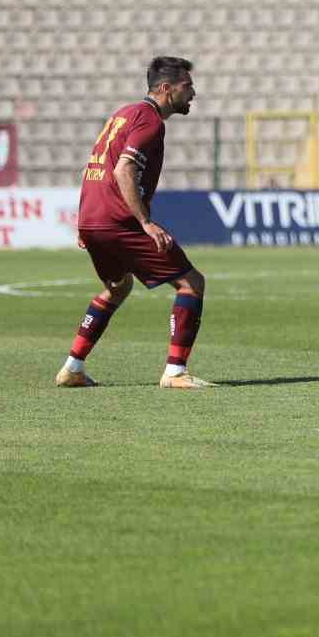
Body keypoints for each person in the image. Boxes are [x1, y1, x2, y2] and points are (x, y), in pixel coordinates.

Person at [55, 56, 211, 390]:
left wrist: (87, 223)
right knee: (191, 283)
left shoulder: (123, 114)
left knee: (117, 287)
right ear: (166, 89)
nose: (193, 92)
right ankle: (175, 372)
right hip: (118, 221)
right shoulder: (149, 121)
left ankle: (72, 368)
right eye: (187, 86)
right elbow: (123, 169)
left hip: (95, 220)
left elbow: (94, 165)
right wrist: (145, 223)